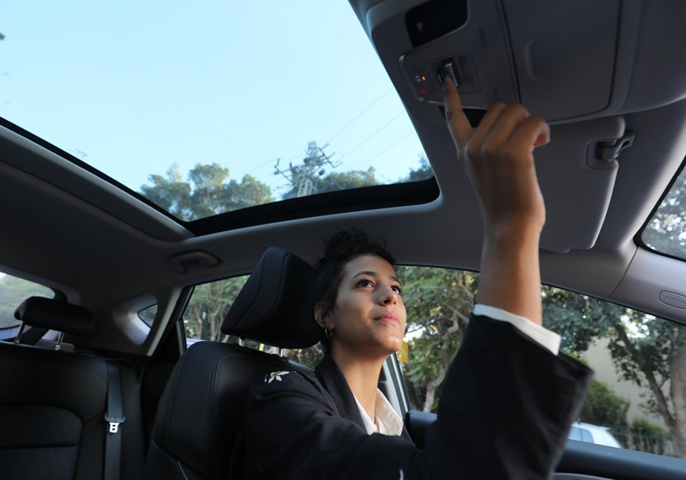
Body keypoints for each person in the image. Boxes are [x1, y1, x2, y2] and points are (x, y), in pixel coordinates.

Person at [239, 78, 593, 479]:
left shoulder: (393, 425)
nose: (389, 296)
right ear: (326, 315)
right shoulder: (281, 398)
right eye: (365, 283)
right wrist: (511, 226)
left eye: (395, 287)